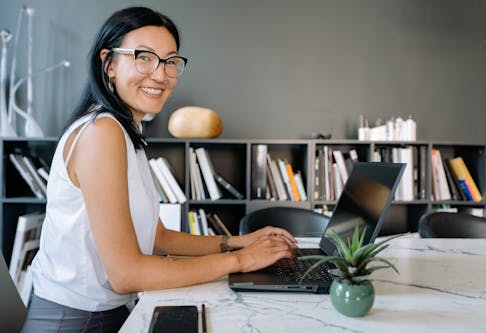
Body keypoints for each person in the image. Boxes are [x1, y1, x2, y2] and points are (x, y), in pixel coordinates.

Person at [21, 6, 296, 332]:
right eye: (144, 57)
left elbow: (157, 236)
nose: (161, 74)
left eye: (170, 61)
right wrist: (242, 260)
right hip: (76, 322)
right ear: (109, 64)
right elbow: (126, 275)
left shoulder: (123, 131)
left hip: (105, 313)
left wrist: (239, 241)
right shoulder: (101, 133)